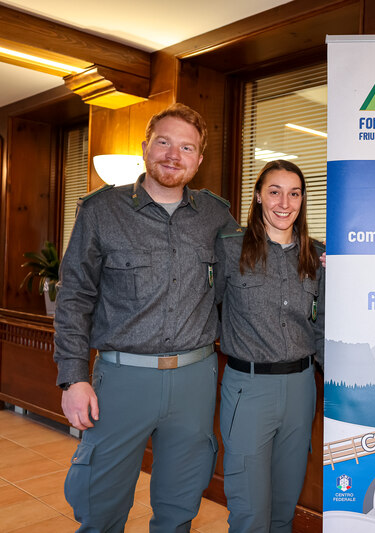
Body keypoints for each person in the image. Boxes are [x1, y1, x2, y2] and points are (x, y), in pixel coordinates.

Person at [54, 103, 237, 532]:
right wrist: (73, 377)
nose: (174, 155)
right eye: (164, 142)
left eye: (186, 147)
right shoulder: (101, 210)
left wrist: (323, 260)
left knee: (180, 506)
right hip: (121, 380)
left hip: (194, 381)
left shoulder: (216, 216)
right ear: (145, 147)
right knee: (99, 505)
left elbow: (254, 265)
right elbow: (74, 296)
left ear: (199, 160)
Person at [215, 159, 324, 532]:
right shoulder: (230, 249)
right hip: (248, 388)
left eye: (294, 194)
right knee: (250, 511)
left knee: (283, 508)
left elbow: (325, 324)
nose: (284, 203)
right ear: (259, 196)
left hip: (301, 388)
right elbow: (203, 308)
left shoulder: (317, 256)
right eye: (275, 192)